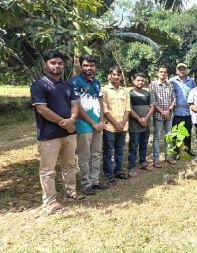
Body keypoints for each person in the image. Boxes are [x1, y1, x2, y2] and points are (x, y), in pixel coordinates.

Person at [30, 49, 84, 214]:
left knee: (69, 164)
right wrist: (64, 123)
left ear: (64, 65)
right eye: (53, 63)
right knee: (48, 170)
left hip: (68, 133)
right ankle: (50, 201)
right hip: (49, 135)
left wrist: (72, 120)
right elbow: (42, 110)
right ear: (45, 64)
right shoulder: (39, 85)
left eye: (60, 63)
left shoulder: (67, 85)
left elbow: (75, 103)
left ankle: (71, 191)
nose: (57, 66)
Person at [69, 54, 107, 196]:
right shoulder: (75, 82)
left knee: (96, 153)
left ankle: (95, 181)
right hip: (83, 124)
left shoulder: (96, 82)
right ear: (81, 66)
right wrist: (92, 122)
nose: (89, 68)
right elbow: (77, 106)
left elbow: (100, 102)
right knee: (84, 155)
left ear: (95, 67)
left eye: (91, 65)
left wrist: (101, 120)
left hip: (98, 124)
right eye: (85, 65)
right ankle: (86, 184)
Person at [102, 66, 130, 184]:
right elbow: (104, 110)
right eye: (114, 74)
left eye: (119, 75)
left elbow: (128, 108)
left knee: (119, 149)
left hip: (123, 126)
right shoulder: (104, 90)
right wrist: (116, 124)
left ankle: (118, 171)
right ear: (109, 76)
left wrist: (122, 123)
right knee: (108, 151)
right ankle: (109, 175)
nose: (117, 77)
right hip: (109, 126)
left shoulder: (124, 91)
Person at [127, 73, 154, 177]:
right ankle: (132, 167)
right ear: (133, 81)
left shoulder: (147, 94)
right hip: (134, 126)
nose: (140, 82)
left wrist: (145, 119)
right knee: (133, 147)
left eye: (142, 80)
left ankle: (143, 163)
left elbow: (151, 107)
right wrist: (139, 119)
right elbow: (129, 108)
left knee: (144, 145)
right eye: (138, 80)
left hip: (146, 125)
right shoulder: (129, 94)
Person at [150, 65, 176, 168]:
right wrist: (162, 112)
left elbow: (174, 98)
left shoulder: (170, 84)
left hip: (169, 114)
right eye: (161, 72)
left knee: (168, 136)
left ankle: (168, 156)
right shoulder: (153, 85)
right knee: (156, 138)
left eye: (165, 72)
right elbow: (153, 101)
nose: (163, 73)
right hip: (158, 115)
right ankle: (156, 160)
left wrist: (169, 110)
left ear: (167, 73)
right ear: (158, 73)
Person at [170, 63, 196, 157]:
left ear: (186, 70)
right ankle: (176, 151)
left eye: (183, 69)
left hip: (188, 111)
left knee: (188, 132)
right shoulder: (172, 81)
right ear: (177, 71)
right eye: (180, 69)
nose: (182, 71)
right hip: (176, 112)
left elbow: (195, 93)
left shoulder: (191, 82)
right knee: (176, 132)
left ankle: (188, 149)